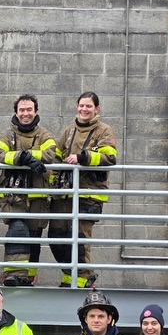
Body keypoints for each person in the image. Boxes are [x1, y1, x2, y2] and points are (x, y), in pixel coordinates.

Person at [49, 91, 117, 288]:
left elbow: (109, 157)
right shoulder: (69, 130)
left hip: (88, 194)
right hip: (65, 195)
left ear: (97, 109)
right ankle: (69, 276)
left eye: (89, 106)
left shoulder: (104, 131)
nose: (84, 109)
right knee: (57, 237)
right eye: (81, 106)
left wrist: (83, 158)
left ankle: (83, 279)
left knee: (79, 240)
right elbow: (57, 156)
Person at [0, 95, 60, 286]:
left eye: (29, 109)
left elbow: (50, 154)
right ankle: (13, 274)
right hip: (14, 196)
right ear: (16, 112)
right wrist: (22, 158)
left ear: (36, 112)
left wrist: (28, 157)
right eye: (22, 110)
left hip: (38, 196)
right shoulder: (6, 135)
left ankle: (28, 277)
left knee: (34, 236)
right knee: (18, 229)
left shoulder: (44, 135)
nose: (25, 113)